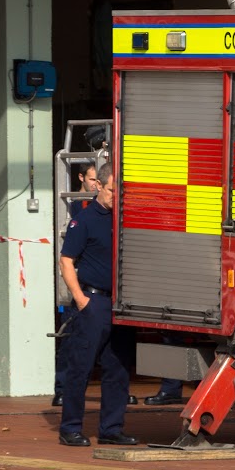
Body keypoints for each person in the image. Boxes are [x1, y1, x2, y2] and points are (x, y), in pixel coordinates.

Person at [56, 164, 136, 447]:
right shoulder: (85, 220)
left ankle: (111, 429)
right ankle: (70, 428)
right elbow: (66, 261)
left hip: (121, 304)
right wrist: (81, 299)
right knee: (81, 367)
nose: (118, 195)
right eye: (113, 190)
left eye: (121, 190)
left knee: (119, 369)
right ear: (99, 186)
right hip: (95, 302)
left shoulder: (126, 218)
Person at [53, 162, 100, 407]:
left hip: (98, 287)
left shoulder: (103, 207)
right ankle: (61, 388)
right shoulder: (76, 205)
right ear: (81, 177)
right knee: (71, 339)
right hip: (81, 283)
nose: (95, 185)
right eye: (92, 179)